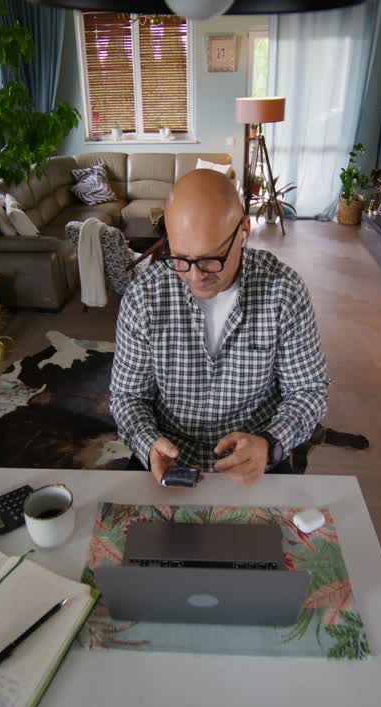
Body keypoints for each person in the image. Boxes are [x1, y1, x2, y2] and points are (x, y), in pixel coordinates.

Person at [110, 169, 328, 485]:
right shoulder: (144, 296)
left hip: (255, 453)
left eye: (210, 259)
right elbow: (127, 395)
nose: (195, 276)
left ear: (243, 231)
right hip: (169, 451)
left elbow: (308, 389)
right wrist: (147, 443)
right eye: (180, 258)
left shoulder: (284, 291)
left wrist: (271, 444)